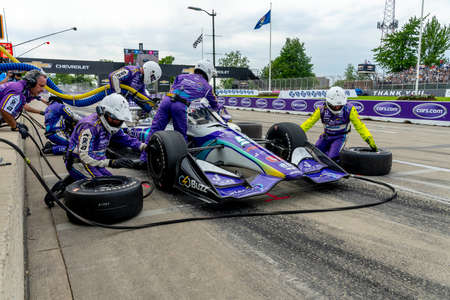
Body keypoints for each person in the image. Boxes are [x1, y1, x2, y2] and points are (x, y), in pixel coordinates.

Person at [64, 93, 146, 181]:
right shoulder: (90, 126)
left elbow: (124, 138)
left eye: (119, 121)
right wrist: (111, 162)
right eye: (114, 119)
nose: (116, 123)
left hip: (97, 163)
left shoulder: (111, 125)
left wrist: (143, 146)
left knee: (115, 182)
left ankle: (68, 183)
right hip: (79, 163)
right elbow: (84, 156)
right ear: (103, 112)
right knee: (104, 187)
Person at [300, 86, 378, 161]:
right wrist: (297, 133)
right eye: (335, 106)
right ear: (328, 102)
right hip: (326, 136)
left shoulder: (350, 109)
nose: (337, 107)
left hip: (340, 137)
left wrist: (369, 140)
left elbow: (360, 127)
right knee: (314, 154)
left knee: (332, 159)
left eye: (339, 105)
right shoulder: (321, 109)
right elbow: (309, 123)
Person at [0, 69, 47, 138]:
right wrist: (15, 126)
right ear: (32, 83)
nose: (42, 90)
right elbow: (5, 111)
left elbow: (25, 105)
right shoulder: (18, 91)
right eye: (41, 86)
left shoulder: (22, 89)